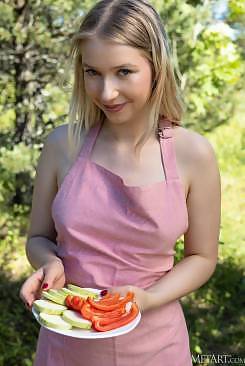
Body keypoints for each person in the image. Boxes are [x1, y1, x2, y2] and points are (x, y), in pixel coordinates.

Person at [19, 0, 221, 365]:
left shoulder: (194, 154)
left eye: (124, 72)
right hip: (66, 345)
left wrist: (147, 299)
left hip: (156, 345)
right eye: (92, 72)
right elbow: (37, 238)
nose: (106, 92)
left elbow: (202, 257)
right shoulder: (61, 145)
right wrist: (49, 262)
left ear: (155, 68)